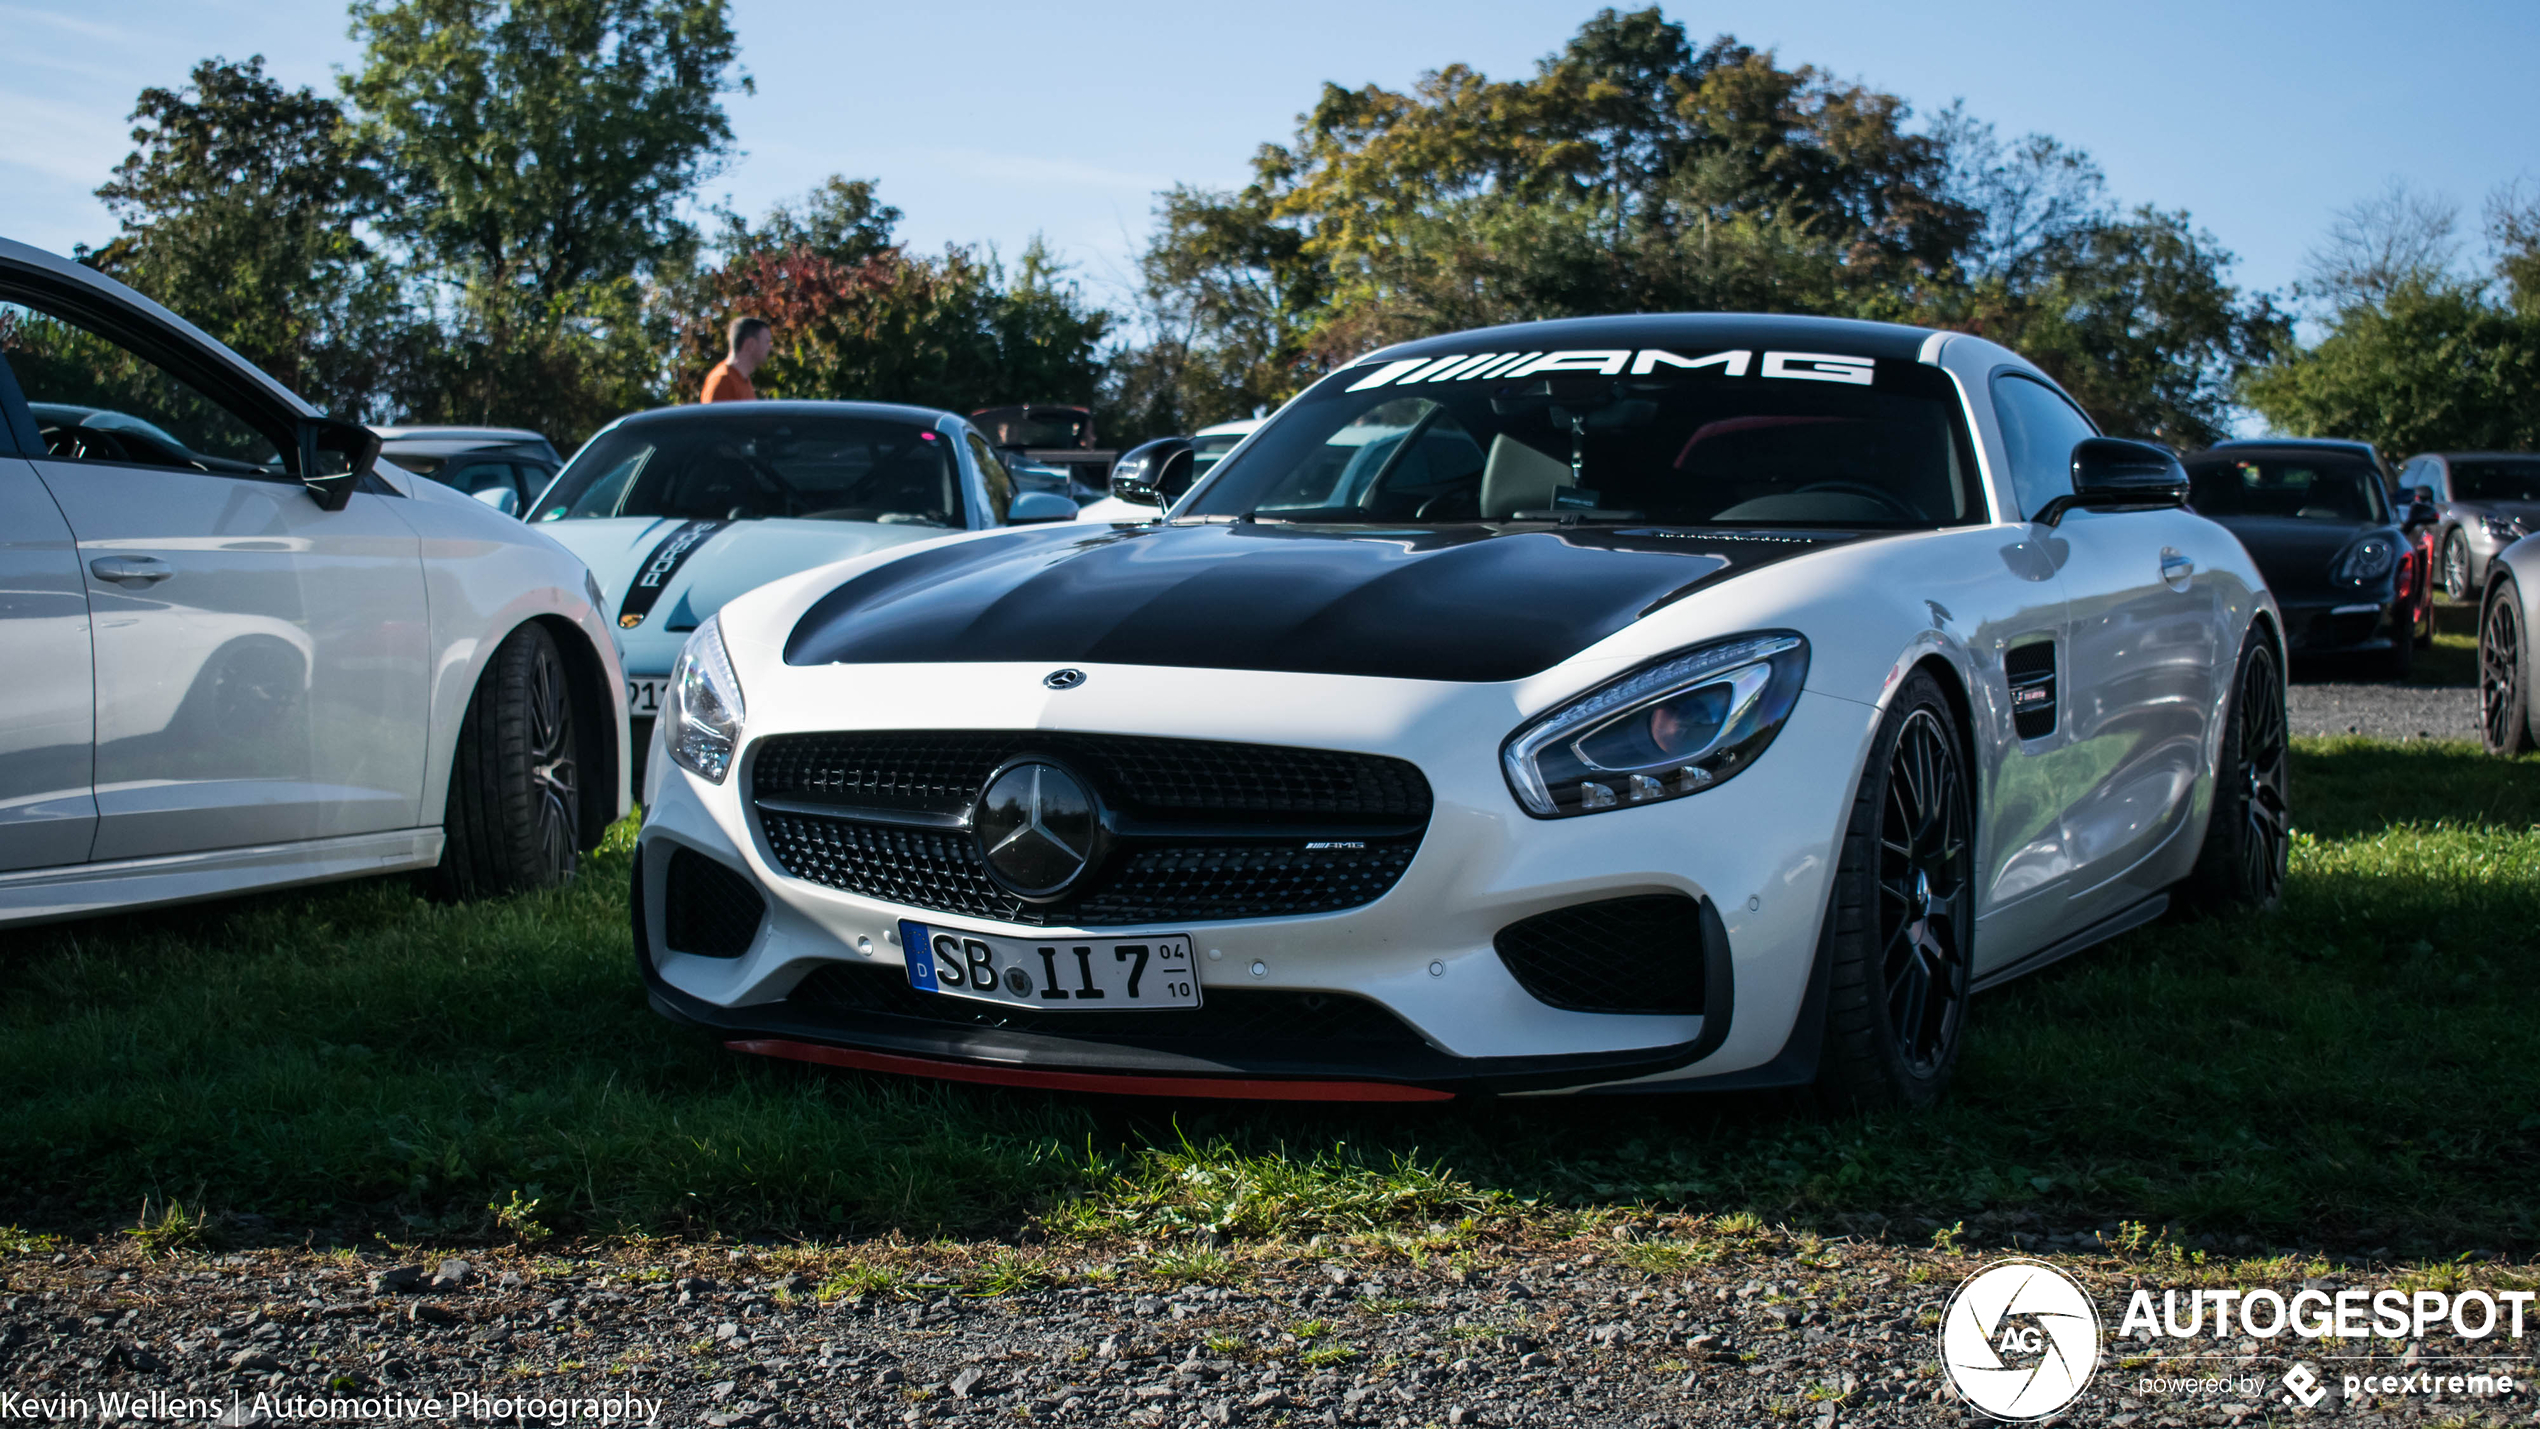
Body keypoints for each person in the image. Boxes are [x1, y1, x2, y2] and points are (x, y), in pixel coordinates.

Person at [702, 316, 771, 403]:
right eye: (767, 342)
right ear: (751, 344)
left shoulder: (743, 378)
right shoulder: (723, 381)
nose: (770, 347)